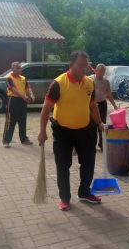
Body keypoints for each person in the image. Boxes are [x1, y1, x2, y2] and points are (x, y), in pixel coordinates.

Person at [38, 51, 104, 211]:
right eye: (81, 65)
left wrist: (100, 122)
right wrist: (42, 131)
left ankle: (84, 192)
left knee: (88, 163)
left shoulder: (89, 83)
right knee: (63, 165)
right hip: (62, 131)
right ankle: (65, 198)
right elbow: (46, 108)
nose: (84, 69)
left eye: (86, 66)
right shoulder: (58, 83)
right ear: (71, 65)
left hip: (86, 130)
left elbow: (92, 106)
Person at [3, 61, 35, 148]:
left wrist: (31, 96)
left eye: (19, 68)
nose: (18, 70)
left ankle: (24, 139)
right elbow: (12, 89)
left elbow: (27, 88)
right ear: (12, 69)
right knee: (11, 121)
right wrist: (23, 97)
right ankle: (6, 141)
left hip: (22, 102)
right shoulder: (8, 78)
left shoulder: (23, 78)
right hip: (13, 100)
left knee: (22, 121)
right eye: (16, 68)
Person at [89, 63, 118, 150]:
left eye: (104, 72)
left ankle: (102, 144)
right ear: (96, 70)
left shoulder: (106, 81)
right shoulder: (90, 79)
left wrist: (114, 105)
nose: (102, 73)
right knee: (92, 124)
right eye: (101, 71)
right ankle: (91, 145)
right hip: (92, 105)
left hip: (102, 104)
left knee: (102, 124)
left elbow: (109, 94)